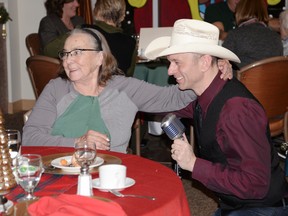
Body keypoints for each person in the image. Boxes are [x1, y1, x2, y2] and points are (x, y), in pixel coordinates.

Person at [144, 18, 288, 215]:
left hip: (263, 209)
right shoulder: (203, 97)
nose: (170, 71)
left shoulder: (237, 110)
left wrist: (193, 164)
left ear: (204, 62)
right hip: (235, 205)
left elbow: (256, 184)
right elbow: (160, 103)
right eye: (170, 63)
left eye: (176, 62)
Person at [22, 27, 232, 154]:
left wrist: (209, 72)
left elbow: (173, 98)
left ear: (99, 57)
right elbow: (30, 138)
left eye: (77, 52)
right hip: (60, 174)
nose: (68, 60)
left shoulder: (124, 88)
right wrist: (77, 142)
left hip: (109, 179)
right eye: (65, 54)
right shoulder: (57, 88)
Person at [222, 0, 283, 70]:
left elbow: (222, 64)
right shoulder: (276, 37)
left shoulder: (235, 35)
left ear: (239, 12)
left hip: (243, 80)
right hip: (273, 80)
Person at [82, 0, 137, 77]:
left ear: (96, 12)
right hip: (117, 87)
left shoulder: (83, 31)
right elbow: (129, 76)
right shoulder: (131, 43)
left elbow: (59, 47)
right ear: (122, 16)